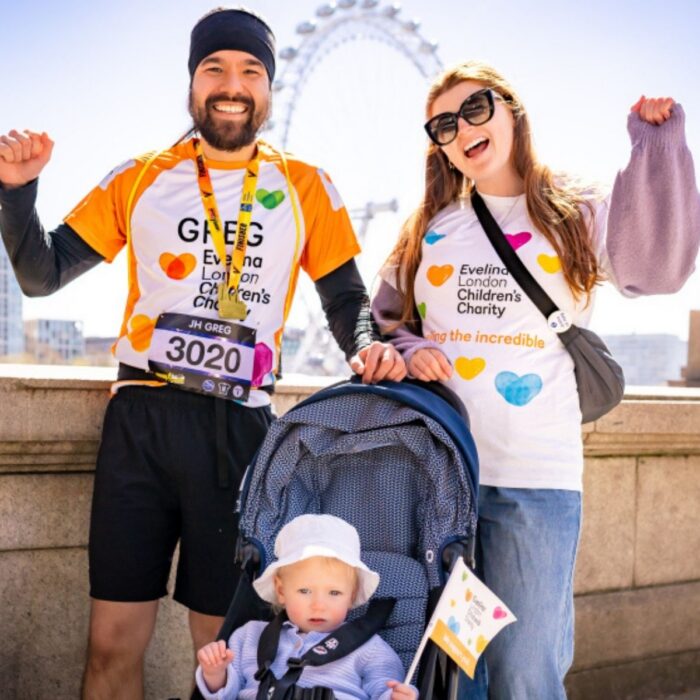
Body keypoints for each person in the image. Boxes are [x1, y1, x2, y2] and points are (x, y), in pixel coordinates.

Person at [0, 8, 405, 699]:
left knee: (229, 655)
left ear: (269, 89)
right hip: (143, 423)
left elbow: (346, 301)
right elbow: (42, 274)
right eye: (213, 67)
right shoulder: (142, 176)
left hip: (240, 434)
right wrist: (16, 190)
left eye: (250, 71)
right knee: (108, 645)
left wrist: (369, 349)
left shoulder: (306, 185)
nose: (231, 84)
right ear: (191, 83)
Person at [371, 60, 700, 698]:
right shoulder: (429, 228)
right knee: (454, 671)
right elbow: (384, 320)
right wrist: (410, 349)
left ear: (511, 110)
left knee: (526, 673)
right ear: (438, 144)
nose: (462, 128)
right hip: (444, 484)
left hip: (536, 484)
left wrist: (654, 146)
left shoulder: (576, 212)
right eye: (443, 124)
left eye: (475, 108)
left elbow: (653, 272)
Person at [195, 514, 417, 700]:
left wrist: (396, 696)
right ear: (281, 591)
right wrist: (215, 673)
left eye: (334, 593)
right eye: (304, 591)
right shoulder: (249, 637)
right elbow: (225, 693)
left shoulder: (369, 649)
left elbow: (384, 688)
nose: (318, 605)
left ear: (351, 596)